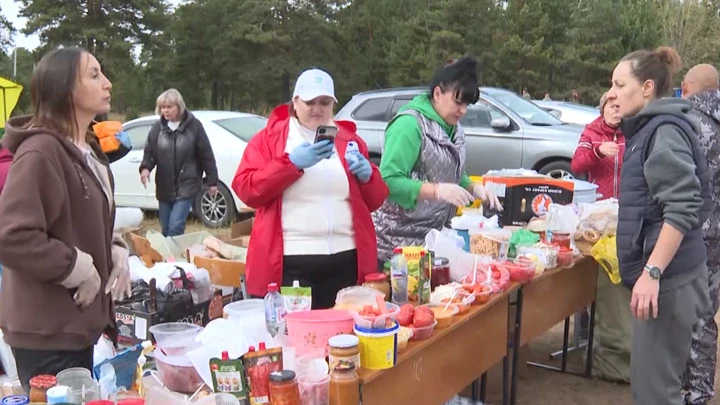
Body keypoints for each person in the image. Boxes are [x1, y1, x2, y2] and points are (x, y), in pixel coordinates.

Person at [0, 47, 131, 393]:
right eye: (93, 75)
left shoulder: (87, 149)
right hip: (46, 332)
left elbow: (86, 218)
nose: (107, 83)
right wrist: (77, 268)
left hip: (75, 325)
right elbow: (11, 236)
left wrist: (115, 248)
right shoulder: (41, 152)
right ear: (65, 89)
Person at [232, 68, 388, 309]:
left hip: (347, 261)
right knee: (297, 338)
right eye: (309, 102)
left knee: (343, 337)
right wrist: (290, 164)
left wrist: (368, 176)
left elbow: (376, 200)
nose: (317, 108)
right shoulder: (269, 140)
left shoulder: (351, 141)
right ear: (295, 102)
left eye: (324, 102)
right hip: (291, 264)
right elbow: (246, 189)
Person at [609, 46, 712, 405]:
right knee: (652, 389)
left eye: (620, 85)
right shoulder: (648, 129)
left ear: (648, 87)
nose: (612, 94)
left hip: (669, 281)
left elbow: (683, 207)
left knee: (656, 395)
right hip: (669, 278)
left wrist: (652, 272)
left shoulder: (663, 131)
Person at [374, 56, 501, 264]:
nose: (464, 111)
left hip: (432, 241)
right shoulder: (409, 125)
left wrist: (473, 187)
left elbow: (447, 170)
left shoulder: (453, 126)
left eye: (467, 104)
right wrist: (436, 191)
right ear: (437, 94)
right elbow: (388, 181)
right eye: (458, 102)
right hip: (396, 245)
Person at [571, 92, 632, 383]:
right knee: (591, 270)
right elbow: (577, 165)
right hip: (599, 215)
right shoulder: (593, 131)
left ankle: (612, 339)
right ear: (603, 107)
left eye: (620, 106)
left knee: (614, 274)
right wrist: (597, 151)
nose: (616, 110)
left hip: (626, 214)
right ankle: (584, 330)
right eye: (611, 105)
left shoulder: (632, 131)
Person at [680, 63, 720, 405]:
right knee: (706, 314)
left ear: (686, 86)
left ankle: (686, 390)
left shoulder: (691, 122)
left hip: (691, 234)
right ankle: (701, 390)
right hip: (717, 238)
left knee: (686, 313)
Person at [139, 89, 219, 237]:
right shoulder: (157, 128)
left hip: (187, 185)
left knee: (175, 226)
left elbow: (206, 154)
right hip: (164, 186)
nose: (165, 111)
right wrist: (145, 169)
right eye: (163, 107)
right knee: (165, 227)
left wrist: (212, 181)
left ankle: (174, 257)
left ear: (179, 106)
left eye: (169, 107)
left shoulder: (194, 126)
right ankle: (170, 257)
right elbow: (149, 152)